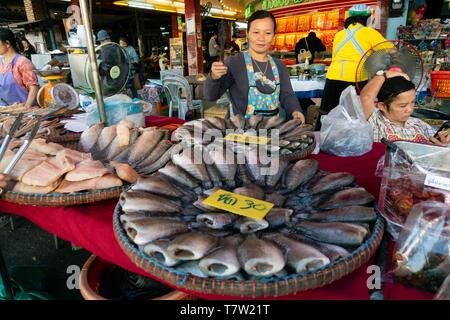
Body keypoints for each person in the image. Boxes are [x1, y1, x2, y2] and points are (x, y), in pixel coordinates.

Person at [204, 10, 305, 122]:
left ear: (273, 35)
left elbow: (287, 95)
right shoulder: (233, 63)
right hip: (240, 133)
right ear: (248, 34)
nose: (261, 38)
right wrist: (213, 77)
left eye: (267, 33)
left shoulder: (279, 65)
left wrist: (296, 110)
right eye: (256, 32)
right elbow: (211, 96)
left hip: (271, 131)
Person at [318, 3, 391, 129]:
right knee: (353, 115)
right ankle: (350, 142)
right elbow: (392, 50)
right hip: (356, 77)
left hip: (333, 76)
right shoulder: (370, 33)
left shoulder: (339, 34)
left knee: (326, 111)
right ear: (367, 18)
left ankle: (319, 142)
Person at [360, 70, 450, 146]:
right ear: (382, 106)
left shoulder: (419, 125)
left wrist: (439, 146)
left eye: (412, 102)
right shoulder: (375, 122)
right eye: (402, 106)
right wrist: (383, 74)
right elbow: (366, 97)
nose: (410, 109)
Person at [0, 28, 39, 108]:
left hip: (24, 112)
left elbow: (33, 87)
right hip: (6, 111)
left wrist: (26, 108)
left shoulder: (22, 62)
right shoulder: (1, 61)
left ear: (7, 43)